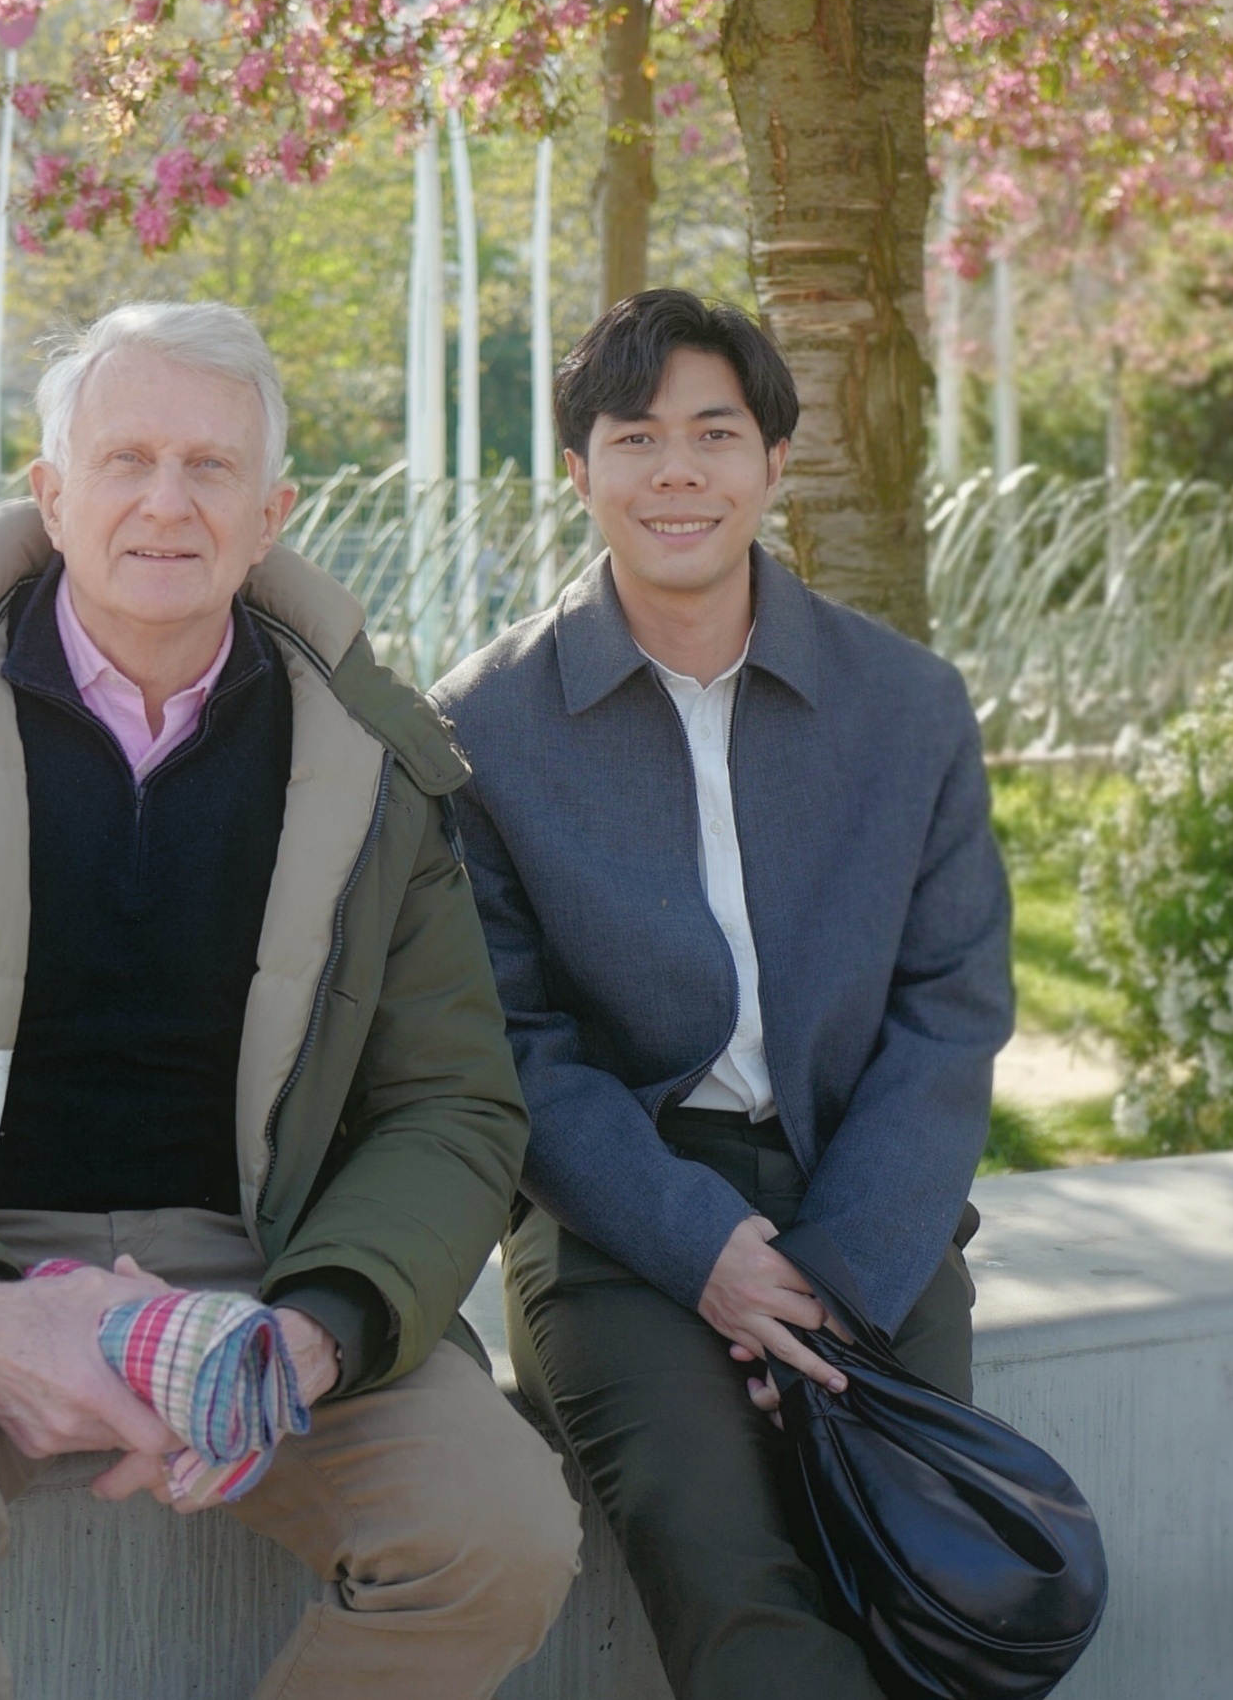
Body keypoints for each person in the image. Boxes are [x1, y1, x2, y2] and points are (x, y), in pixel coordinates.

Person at [0, 300, 579, 1700]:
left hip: (261, 1264)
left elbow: (449, 1105)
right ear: (50, 491)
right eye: (126, 459)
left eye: (211, 469)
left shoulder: (378, 759)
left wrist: (320, 1329)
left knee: (499, 1535)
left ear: (270, 513)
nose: (167, 502)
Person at [439, 289, 1014, 1700]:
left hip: (860, 1186)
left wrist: (834, 1273)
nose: (677, 471)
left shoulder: (907, 707)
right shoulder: (480, 726)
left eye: (714, 433)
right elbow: (510, 1041)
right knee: (733, 1584)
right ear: (577, 474)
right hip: (619, 1206)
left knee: (925, 1581)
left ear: (771, 461)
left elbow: (949, 1009)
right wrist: (706, 1249)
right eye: (635, 438)